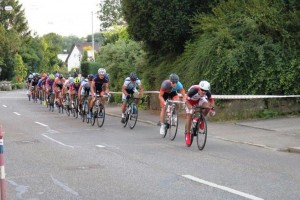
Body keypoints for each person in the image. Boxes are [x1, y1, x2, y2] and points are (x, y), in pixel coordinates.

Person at [184, 80, 215, 146]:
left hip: (199, 100)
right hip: (190, 102)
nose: (203, 92)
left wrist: (212, 109)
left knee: (207, 107)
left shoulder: (207, 92)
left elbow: (211, 101)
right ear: (199, 88)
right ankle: (188, 134)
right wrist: (191, 108)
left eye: (205, 91)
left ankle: (201, 120)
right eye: (202, 90)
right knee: (189, 115)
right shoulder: (193, 90)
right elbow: (186, 101)